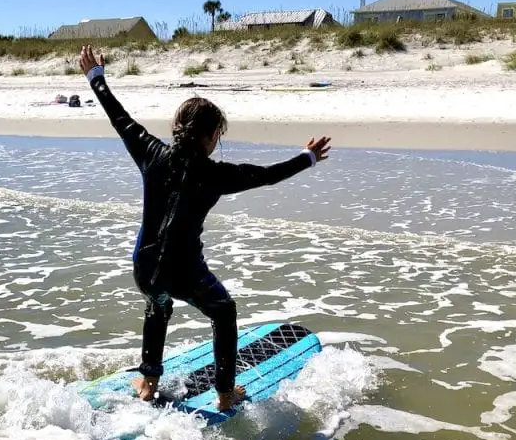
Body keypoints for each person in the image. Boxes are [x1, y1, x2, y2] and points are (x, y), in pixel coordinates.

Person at [79, 45, 331, 411]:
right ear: (212, 136)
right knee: (224, 312)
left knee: (157, 305)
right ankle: (226, 394)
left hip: (145, 268)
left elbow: (120, 118)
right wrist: (307, 158)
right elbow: (267, 176)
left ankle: (149, 381)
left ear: (176, 129)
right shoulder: (216, 175)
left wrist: (96, 78)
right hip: (186, 271)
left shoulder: (150, 153)